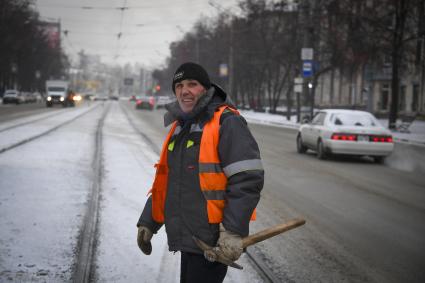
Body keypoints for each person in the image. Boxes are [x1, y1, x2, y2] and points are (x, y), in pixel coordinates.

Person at [137, 62, 264, 283]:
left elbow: (247, 179)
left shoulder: (227, 121)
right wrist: (149, 221)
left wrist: (233, 231)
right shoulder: (181, 127)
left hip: (212, 242)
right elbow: (168, 181)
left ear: (205, 88)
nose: (184, 90)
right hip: (189, 240)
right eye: (179, 85)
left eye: (192, 84)